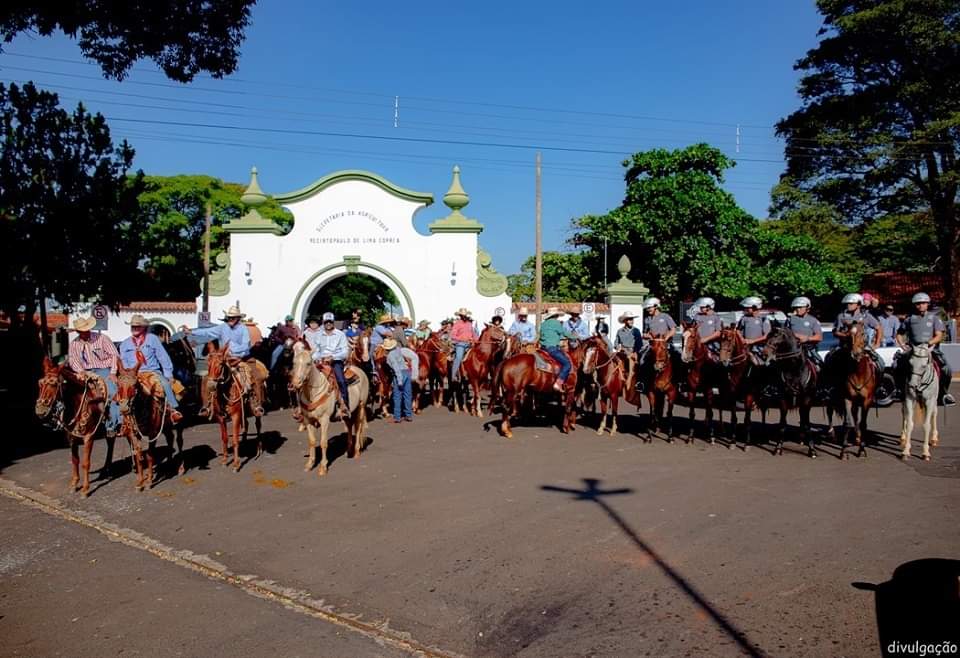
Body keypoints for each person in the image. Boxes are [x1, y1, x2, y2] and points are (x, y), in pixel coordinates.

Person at [183, 305, 265, 416]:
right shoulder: (222, 328)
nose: (230, 319)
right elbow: (207, 331)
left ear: (238, 318)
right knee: (207, 378)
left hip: (242, 358)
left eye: (233, 317)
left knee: (257, 376)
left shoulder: (243, 329)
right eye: (229, 317)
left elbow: (246, 345)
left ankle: (257, 404)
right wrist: (191, 332)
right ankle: (206, 406)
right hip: (226, 359)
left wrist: (234, 351)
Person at [119, 315, 183, 424]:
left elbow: (163, 357)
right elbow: (124, 362)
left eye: (138, 326)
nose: (135, 328)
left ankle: (173, 409)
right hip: (133, 374)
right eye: (133, 326)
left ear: (144, 327)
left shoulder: (152, 339)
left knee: (165, 384)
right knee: (121, 390)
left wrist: (169, 374)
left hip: (152, 372)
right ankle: (120, 418)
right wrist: (128, 375)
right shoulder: (125, 344)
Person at [896, 292, 954, 406]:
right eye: (918, 303)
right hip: (913, 349)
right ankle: (899, 391)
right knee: (897, 365)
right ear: (915, 305)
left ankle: (943, 394)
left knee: (947, 369)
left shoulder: (934, 318)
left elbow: (939, 335)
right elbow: (899, 334)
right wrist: (902, 345)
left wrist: (928, 343)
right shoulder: (909, 319)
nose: (921, 305)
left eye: (923, 303)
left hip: (930, 349)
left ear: (928, 304)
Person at [67, 316, 121, 437]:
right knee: (72, 392)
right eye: (81, 331)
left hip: (103, 369)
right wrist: (80, 371)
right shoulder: (74, 344)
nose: (84, 333)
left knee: (112, 391)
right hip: (85, 371)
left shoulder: (102, 339)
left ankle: (113, 424)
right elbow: (73, 360)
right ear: (78, 331)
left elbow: (114, 355)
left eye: (86, 330)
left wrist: (112, 372)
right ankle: (73, 421)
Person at [827, 292, 885, 375]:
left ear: (858, 304)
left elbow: (878, 328)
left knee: (880, 362)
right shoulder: (841, 316)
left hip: (863, 347)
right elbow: (835, 331)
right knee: (830, 360)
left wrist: (877, 343)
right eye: (847, 304)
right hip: (845, 346)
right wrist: (845, 335)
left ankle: (880, 384)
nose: (848, 305)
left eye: (851, 303)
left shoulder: (866, 316)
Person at [312, 312, 350, 419]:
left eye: (330, 322)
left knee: (341, 380)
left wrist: (333, 357)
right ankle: (303, 407)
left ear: (333, 323)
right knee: (307, 377)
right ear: (323, 323)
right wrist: (317, 358)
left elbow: (345, 352)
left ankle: (344, 405)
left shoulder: (340, 334)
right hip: (321, 362)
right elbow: (316, 351)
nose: (328, 324)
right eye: (326, 322)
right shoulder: (318, 335)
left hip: (336, 361)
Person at [539, 307, 578, 392]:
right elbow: (564, 333)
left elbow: (547, 334)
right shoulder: (556, 323)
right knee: (567, 364)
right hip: (552, 348)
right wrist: (575, 336)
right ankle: (558, 382)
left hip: (542, 348)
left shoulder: (543, 324)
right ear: (556, 315)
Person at [384, 337, 419, 422]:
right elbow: (413, 356)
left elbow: (396, 368)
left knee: (397, 396)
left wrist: (399, 380)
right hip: (407, 372)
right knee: (408, 395)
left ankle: (397, 417)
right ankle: (408, 415)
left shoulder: (390, 356)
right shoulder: (399, 350)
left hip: (400, 374)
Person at [785, 297, 823, 366]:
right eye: (796, 307)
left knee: (819, 364)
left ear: (807, 308)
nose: (798, 309)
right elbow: (784, 333)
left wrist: (807, 338)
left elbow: (819, 337)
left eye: (800, 307)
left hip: (808, 349)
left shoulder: (813, 320)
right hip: (793, 349)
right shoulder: (790, 319)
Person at [736, 296, 771, 361]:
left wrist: (753, 341)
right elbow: (738, 330)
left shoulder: (763, 319)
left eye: (747, 308)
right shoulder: (744, 318)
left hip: (759, 349)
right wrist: (742, 339)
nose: (745, 309)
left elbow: (767, 335)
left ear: (755, 307)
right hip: (745, 348)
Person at [450, 308, 478, 383]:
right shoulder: (457, 324)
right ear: (460, 316)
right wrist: (462, 339)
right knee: (458, 357)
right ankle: (453, 375)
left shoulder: (469, 324)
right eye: (463, 315)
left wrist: (476, 340)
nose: (465, 316)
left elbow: (473, 334)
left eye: (465, 315)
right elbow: (453, 335)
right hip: (460, 344)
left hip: (470, 344)